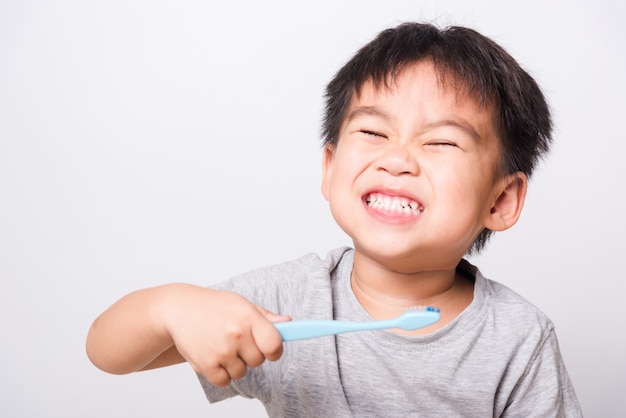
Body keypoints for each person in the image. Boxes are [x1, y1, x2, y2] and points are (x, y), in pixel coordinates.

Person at [86, 22, 583, 417]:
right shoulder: (288, 301)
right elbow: (107, 354)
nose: (397, 159)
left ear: (501, 200)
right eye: (372, 131)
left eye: (441, 142)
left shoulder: (517, 338)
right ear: (329, 169)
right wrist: (170, 307)